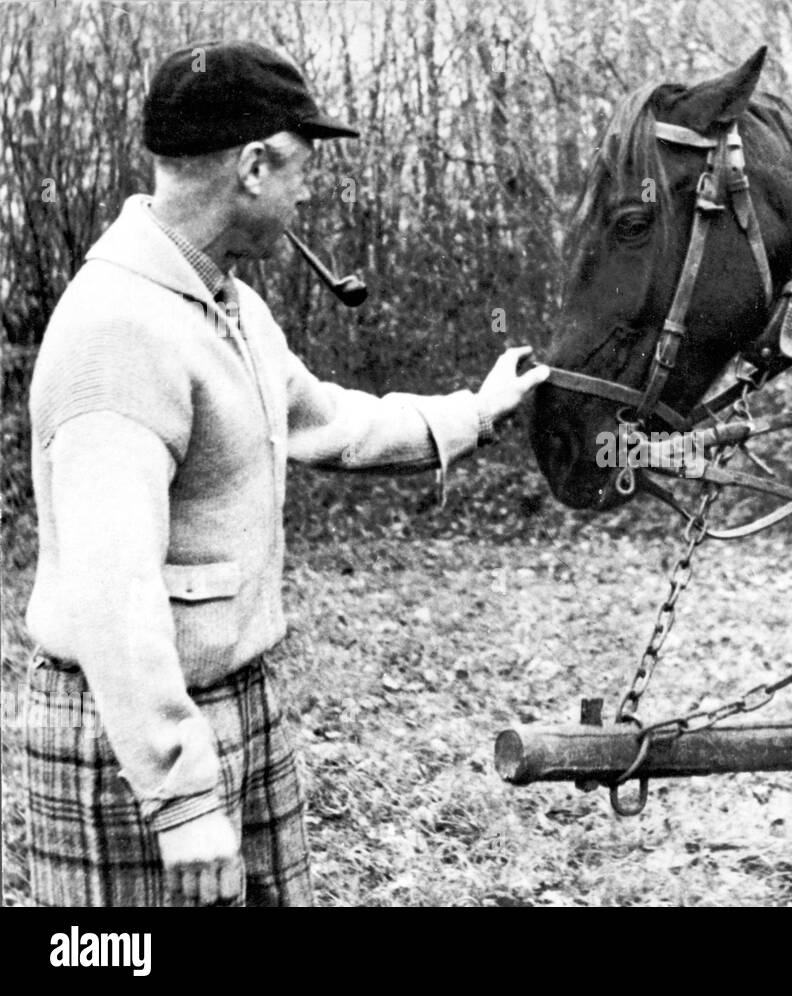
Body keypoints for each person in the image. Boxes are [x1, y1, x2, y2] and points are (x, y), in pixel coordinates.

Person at [23, 39, 548, 906]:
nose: (311, 191)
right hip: (138, 739)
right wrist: (179, 792)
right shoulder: (117, 331)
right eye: (305, 167)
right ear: (256, 166)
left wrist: (473, 411)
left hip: (240, 705)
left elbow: (326, 420)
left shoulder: (228, 300)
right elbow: (110, 596)